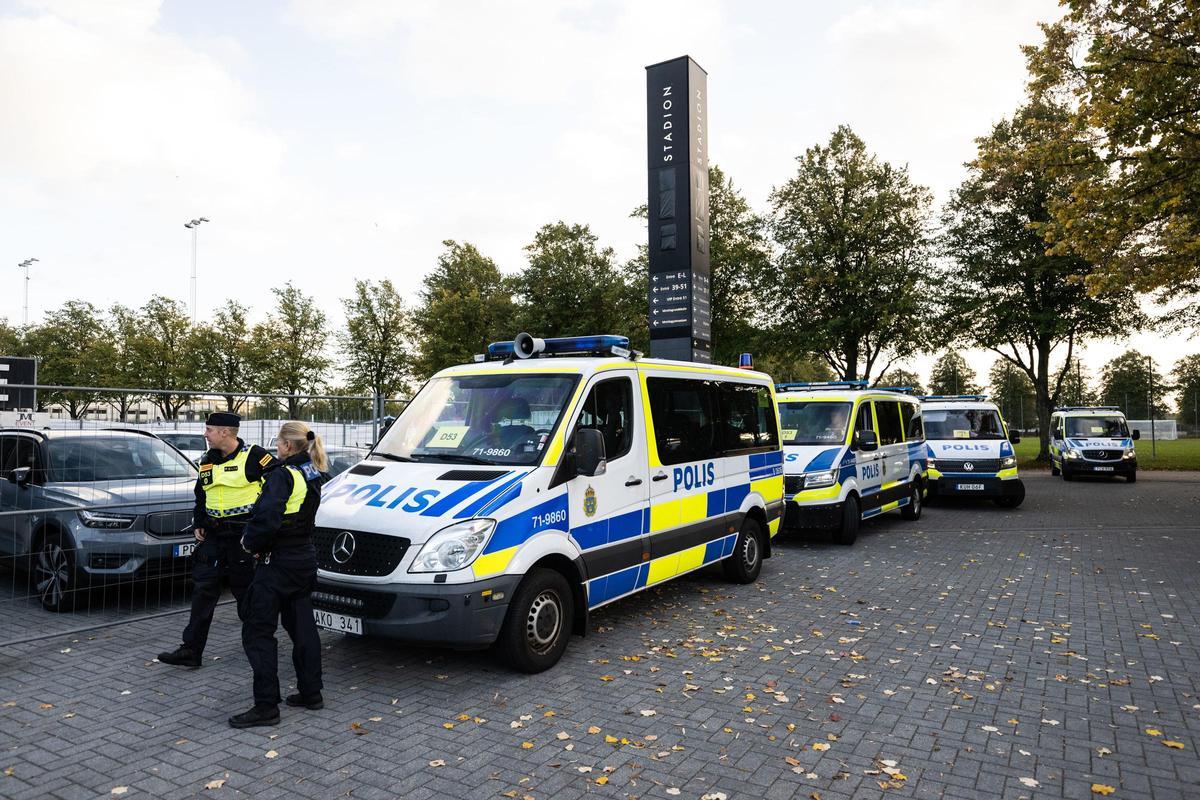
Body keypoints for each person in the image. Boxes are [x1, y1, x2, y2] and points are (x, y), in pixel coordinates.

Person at [228, 421, 330, 729]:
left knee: (257, 632)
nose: (276, 448)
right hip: (304, 559)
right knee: (302, 627)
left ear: (287, 445)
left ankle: (265, 707)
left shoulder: (282, 476)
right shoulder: (314, 472)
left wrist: (248, 543)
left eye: (278, 443)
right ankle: (311, 693)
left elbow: (267, 519)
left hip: (278, 563)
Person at [158, 412, 276, 668]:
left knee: (246, 594)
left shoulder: (255, 456)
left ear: (225, 432)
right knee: (203, 590)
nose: (205, 434)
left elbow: (277, 490)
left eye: (209, 429)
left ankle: (258, 649)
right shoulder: (207, 461)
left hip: (243, 537)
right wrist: (199, 521)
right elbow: (201, 493)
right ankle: (191, 650)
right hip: (213, 535)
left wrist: (261, 527)